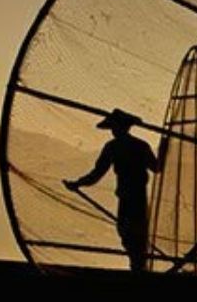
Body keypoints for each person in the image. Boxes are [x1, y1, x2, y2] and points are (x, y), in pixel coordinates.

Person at [65, 109, 163, 271]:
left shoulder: (114, 147)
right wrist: (78, 183)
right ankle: (138, 266)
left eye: (114, 127)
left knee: (130, 234)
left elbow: (97, 173)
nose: (113, 131)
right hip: (135, 197)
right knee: (134, 235)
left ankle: (138, 267)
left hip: (130, 197)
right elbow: (156, 167)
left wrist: (78, 184)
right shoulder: (139, 145)